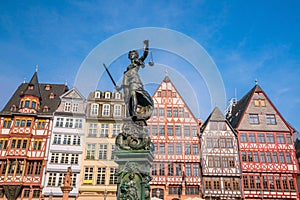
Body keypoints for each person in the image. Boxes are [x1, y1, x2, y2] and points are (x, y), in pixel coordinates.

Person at [116, 40, 153, 121]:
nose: (131, 55)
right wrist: (119, 88)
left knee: (133, 95)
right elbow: (126, 79)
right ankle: (131, 113)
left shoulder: (137, 62)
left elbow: (145, 55)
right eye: (130, 54)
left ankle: (133, 113)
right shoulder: (128, 67)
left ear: (136, 55)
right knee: (129, 99)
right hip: (129, 83)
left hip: (135, 82)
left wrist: (147, 45)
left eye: (133, 54)